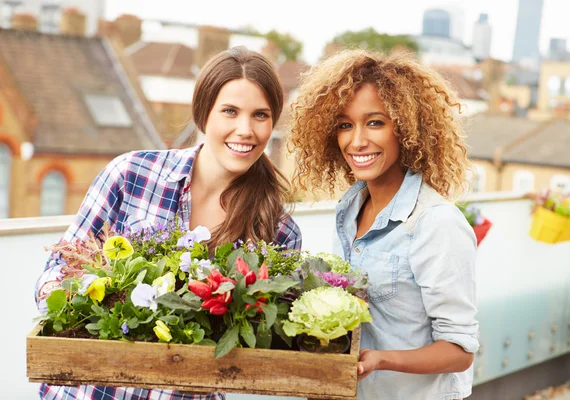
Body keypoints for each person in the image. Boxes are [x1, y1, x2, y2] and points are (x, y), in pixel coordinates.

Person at [34, 46, 302, 400]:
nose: (245, 129)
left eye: (260, 115)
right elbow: (54, 273)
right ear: (203, 114)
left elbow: (257, 349)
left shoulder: (278, 232)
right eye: (230, 111)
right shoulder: (131, 174)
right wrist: (89, 293)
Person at [289, 49, 479, 400]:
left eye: (375, 122)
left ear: (405, 129)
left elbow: (460, 351)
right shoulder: (350, 210)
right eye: (345, 125)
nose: (357, 140)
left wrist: (381, 359)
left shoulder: (435, 222)